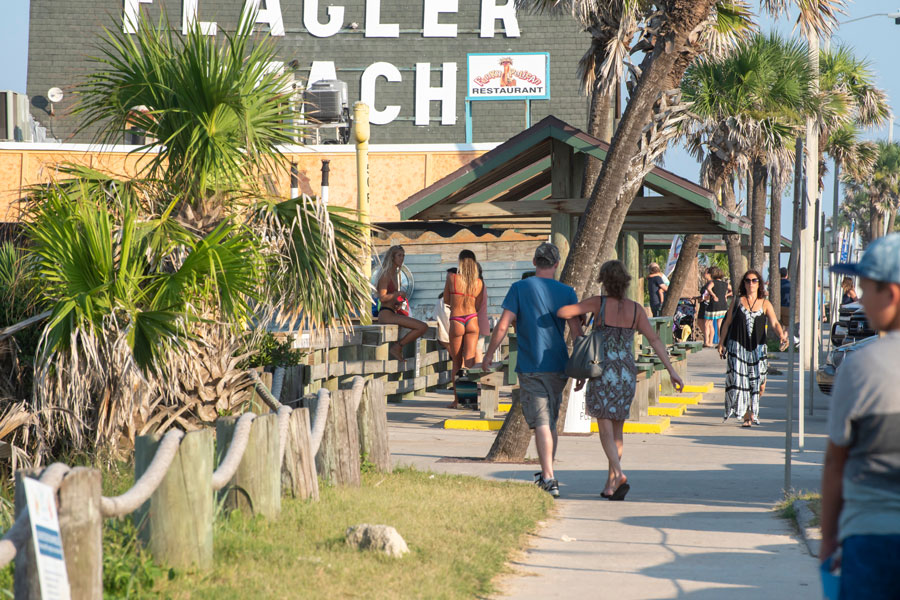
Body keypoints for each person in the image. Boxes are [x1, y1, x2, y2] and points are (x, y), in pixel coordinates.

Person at [557, 260, 684, 501]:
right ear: (625, 282)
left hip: (602, 371)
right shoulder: (637, 310)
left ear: (604, 281)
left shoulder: (599, 303)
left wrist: (578, 321)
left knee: (605, 427)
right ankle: (610, 485)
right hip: (626, 373)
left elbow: (563, 312)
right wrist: (671, 371)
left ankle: (618, 473)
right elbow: (655, 341)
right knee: (617, 429)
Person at [820, 233, 900, 598]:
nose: (862, 299)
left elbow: (836, 463)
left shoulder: (861, 365)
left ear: (892, 294)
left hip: (871, 540)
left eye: (867, 287)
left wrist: (828, 542)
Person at [481, 242, 583, 498]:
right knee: (550, 422)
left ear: (535, 262)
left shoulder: (519, 288)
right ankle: (548, 472)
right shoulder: (567, 292)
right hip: (559, 364)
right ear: (557, 264)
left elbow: (502, 326)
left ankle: (548, 477)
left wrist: (489, 354)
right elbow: (578, 332)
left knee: (541, 423)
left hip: (531, 365)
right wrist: (581, 369)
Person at [717, 269, 788, 427]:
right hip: (738, 347)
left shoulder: (765, 303)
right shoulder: (737, 301)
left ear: (759, 284)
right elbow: (727, 322)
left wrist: (782, 335)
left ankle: (750, 408)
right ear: (744, 283)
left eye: (754, 280)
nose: (751, 283)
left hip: (758, 348)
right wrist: (721, 342)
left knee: (760, 383)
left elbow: (775, 323)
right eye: (748, 280)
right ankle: (748, 414)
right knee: (741, 381)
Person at [444, 250, 485, 409]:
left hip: (457, 319)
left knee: (456, 362)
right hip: (472, 320)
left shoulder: (452, 278)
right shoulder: (479, 283)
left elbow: (446, 299)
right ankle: (468, 401)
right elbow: (478, 305)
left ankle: (456, 401)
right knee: (469, 362)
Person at [375, 245, 428, 360]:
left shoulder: (396, 275)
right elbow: (382, 298)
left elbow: (390, 298)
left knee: (422, 327)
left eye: (403, 255)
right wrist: (397, 294)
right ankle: (397, 347)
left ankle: (398, 348)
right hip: (386, 314)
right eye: (399, 255)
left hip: (392, 312)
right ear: (392, 257)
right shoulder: (385, 274)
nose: (402, 258)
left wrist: (397, 302)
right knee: (421, 327)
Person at [705, 266, 730, 346]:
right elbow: (732, 290)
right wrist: (726, 295)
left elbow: (709, 288)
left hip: (714, 304)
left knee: (707, 323)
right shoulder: (725, 284)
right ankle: (721, 342)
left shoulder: (713, 282)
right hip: (723, 305)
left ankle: (708, 342)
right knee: (720, 324)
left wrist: (714, 295)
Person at [697, 268, 713, 347]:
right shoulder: (706, 283)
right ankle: (707, 337)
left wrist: (703, 299)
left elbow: (709, 295)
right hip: (702, 304)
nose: (704, 274)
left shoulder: (711, 283)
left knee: (709, 324)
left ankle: (709, 341)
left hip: (707, 304)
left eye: (705, 272)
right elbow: (703, 294)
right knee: (700, 321)